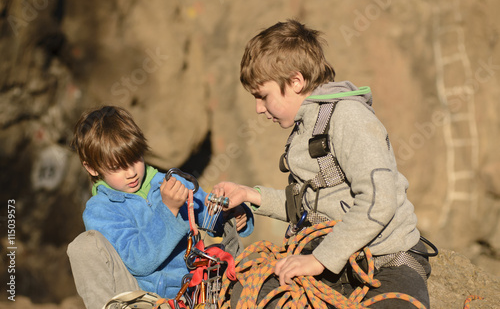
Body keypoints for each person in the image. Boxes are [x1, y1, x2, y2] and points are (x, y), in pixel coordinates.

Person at [211, 19, 432, 308]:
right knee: (253, 292)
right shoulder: (304, 129)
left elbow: (380, 201)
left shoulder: (349, 118)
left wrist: (318, 260)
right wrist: (250, 195)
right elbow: (308, 208)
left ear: (295, 81)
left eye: (263, 96)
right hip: (333, 259)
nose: (258, 109)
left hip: (386, 263)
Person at [67, 105, 254, 309]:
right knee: (83, 246)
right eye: (117, 167)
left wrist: (233, 215)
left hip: (191, 290)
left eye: (134, 159)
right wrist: (168, 211)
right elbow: (139, 261)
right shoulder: (101, 211)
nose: (131, 173)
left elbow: (206, 213)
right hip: (139, 298)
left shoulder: (170, 183)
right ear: (92, 168)